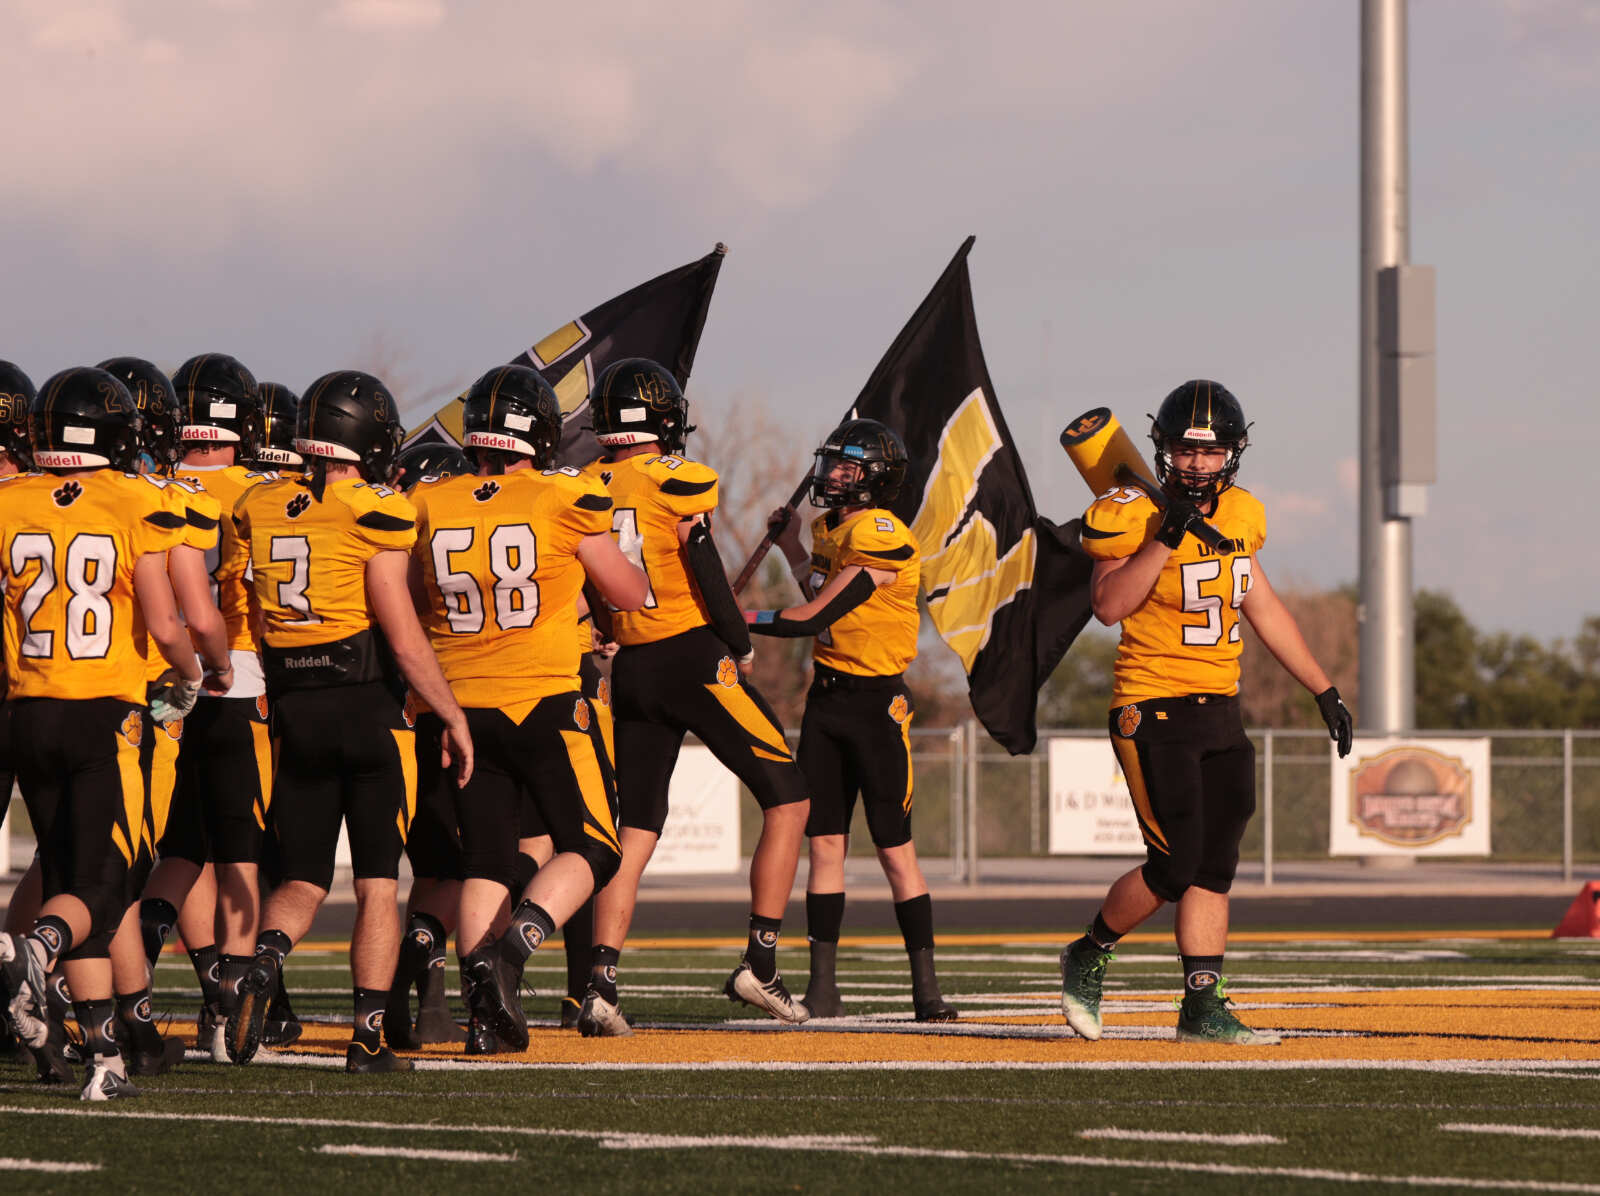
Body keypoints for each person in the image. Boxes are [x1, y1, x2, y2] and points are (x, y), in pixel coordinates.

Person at [1059, 379, 1353, 1045]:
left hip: (1220, 704)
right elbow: (1108, 607)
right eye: (1185, 452)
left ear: (1233, 454)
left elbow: (1261, 603)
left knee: (1216, 862)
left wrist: (1322, 688)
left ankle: (1201, 1004)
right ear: (1161, 451)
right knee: (1173, 864)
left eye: (1211, 452)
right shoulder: (1130, 512)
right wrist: (1164, 537)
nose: (1196, 465)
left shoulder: (1244, 513)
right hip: (1152, 704)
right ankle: (1089, 951)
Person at [226, 370, 472, 1074]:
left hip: (293, 709)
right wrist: (449, 712)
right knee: (375, 884)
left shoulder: (258, 503)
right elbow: (400, 634)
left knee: (300, 880)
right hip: (367, 705)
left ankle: (264, 961)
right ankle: (367, 1039)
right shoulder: (375, 511)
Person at [408, 364, 646, 1053]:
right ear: (539, 433)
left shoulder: (432, 502)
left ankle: (486, 1022)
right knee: (596, 844)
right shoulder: (560, 497)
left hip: (461, 709)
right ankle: (510, 952)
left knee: (485, 859)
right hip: (542, 699)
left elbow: (416, 604)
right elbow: (627, 594)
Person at [0, 367, 223, 1100]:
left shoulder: (8, 501)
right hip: (107, 713)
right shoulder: (139, 501)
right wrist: (192, 677)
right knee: (104, 879)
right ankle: (37, 948)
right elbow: (166, 623)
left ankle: (105, 1058)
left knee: (66, 870)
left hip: (28, 710)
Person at [581, 358, 810, 1035]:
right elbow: (703, 559)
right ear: (664, 419)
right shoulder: (675, 479)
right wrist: (737, 640)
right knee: (790, 799)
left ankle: (600, 983)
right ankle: (760, 967)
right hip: (690, 653)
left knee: (637, 828)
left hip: (634, 667)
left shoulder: (583, 486)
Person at [749, 418, 957, 1022]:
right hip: (828, 700)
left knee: (896, 851)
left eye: (847, 465)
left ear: (875, 479)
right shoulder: (830, 528)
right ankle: (823, 987)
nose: (832, 473)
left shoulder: (882, 532)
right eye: (832, 462)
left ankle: (926, 990)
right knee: (826, 846)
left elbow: (810, 616)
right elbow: (819, 584)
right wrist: (790, 545)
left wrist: (736, 617)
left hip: (876, 706)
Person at [136, 353, 278, 1059]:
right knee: (239, 852)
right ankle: (227, 1010)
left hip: (159, 681)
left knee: (179, 843)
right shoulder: (263, 489)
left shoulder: (152, 487)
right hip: (237, 673)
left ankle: (125, 979)